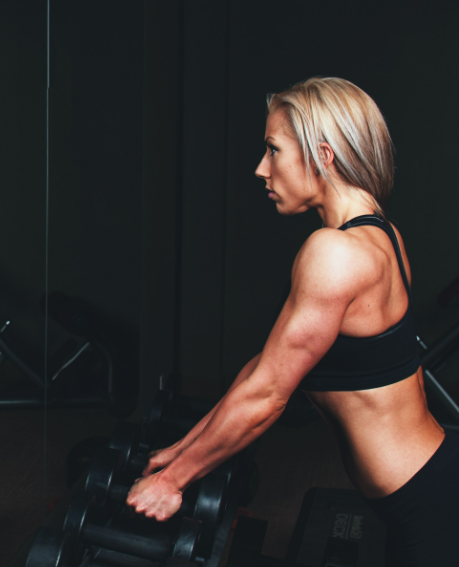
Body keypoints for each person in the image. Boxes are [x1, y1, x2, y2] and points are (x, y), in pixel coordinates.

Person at [125, 77, 457, 566]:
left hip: (429, 503)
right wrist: (183, 451)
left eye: (273, 150)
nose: (262, 169)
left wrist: (170, 485)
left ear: (322, 155)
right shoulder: (383, 234)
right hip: (431, 479)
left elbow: (269, 395)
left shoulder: (334, 254)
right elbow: (265, 369)